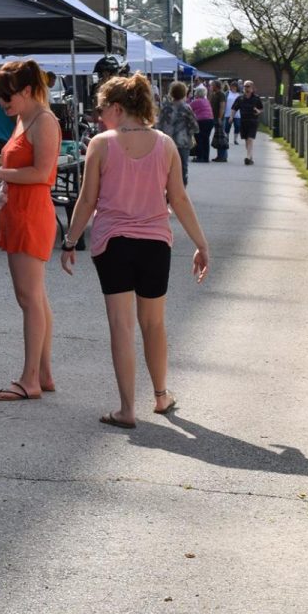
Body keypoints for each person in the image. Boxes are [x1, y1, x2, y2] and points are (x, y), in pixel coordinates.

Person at [59, 73, 210, 428]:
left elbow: (86, 200)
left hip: (112, 244)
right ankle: (160, 396)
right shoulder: (165, 144)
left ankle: (127, 409)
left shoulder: (101, 143)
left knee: (121, 326)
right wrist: (201, 243)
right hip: (155, 244)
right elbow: (180, 199)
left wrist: (70, 240)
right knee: (154, 323)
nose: (98, 117)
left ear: (116, 107)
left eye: (100, 110)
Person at [0, 60, 61, 400]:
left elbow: (42, 174)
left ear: (26, 91)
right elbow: (22, 168)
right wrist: (2, 185)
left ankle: (30, 379)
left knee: (29, 299)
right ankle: (44, 374)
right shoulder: (24, 117)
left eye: (7, 98)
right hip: (18, 210)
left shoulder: (44, 121)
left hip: (31, 214)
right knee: (35, 297)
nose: (3, 105)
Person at [156, 81, 200, 185]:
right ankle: (181, 189)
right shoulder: (186, 108)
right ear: (184, 93)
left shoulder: (165, 108)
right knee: (182, 167)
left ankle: (167, 188)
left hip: (166, 142)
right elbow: (195, 126)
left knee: (167, 167)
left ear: (171, 93)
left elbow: (158, 125)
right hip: (182, 142)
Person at [233, 80, 266, 165]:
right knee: (246, 141)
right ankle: (250, 157)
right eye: (245, 86)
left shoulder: (256, 98)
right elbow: (234, 108)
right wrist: (231, 117)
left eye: (248, 86)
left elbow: (261, 109)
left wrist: (258, 111)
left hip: (253, 121)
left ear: (252, 88)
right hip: (243, 122)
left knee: (250, 139)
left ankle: (247, 157)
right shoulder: (240, 98)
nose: (246, 88)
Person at [189, 82, 215, 163]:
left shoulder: (196, 101)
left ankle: (200, 157)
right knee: (206, 139)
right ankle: (206, 157)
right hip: (210, 120)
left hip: (201, 121)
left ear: (197, 93)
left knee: (199, 138)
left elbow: (188, 108)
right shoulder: (206, 101)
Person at [207, 81, 229, 162]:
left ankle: (223, 156)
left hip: (219, 118)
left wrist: (220, 117)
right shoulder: (214, 94)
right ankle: (219, 155)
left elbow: (222, 106)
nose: (211, 87)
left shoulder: (221, 94)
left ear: (216, 86)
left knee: (221, 137)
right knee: (217, 137)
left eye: (212, 85)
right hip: (214, 117)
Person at [225, 81, 242, 146]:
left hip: (237, 113)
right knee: (227, 127)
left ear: (237, 87)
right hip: (227, 113)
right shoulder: (227, 93)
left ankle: (235, 140)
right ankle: (226, 138)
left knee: (237, 126)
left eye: (235, 86)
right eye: (232, 86)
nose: (233, 88)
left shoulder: (239, 94)